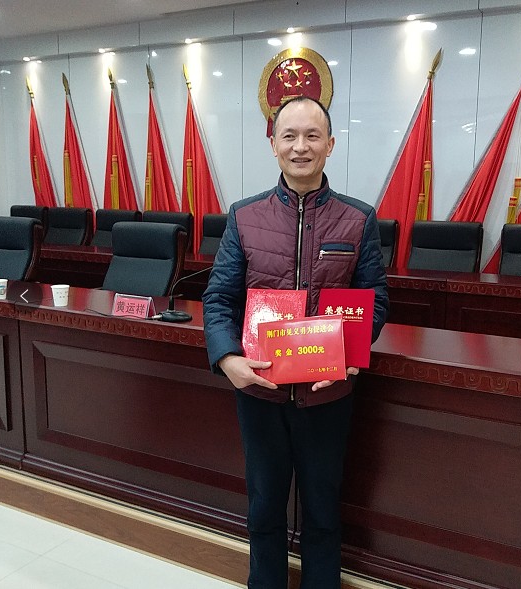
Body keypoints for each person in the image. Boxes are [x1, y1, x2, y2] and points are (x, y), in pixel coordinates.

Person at [203, 96, 388, 589]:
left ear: (330, 145)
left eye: (312, 136)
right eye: (289, 136)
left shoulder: (358, 219)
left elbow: (374, 300)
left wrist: (350, 356)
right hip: (260, 393)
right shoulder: (244, 216)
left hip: (327, 394)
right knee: (264, 507)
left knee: (323, 511)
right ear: (273, 145)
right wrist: (227, 358)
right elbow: (219, 297)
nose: (300, 146)